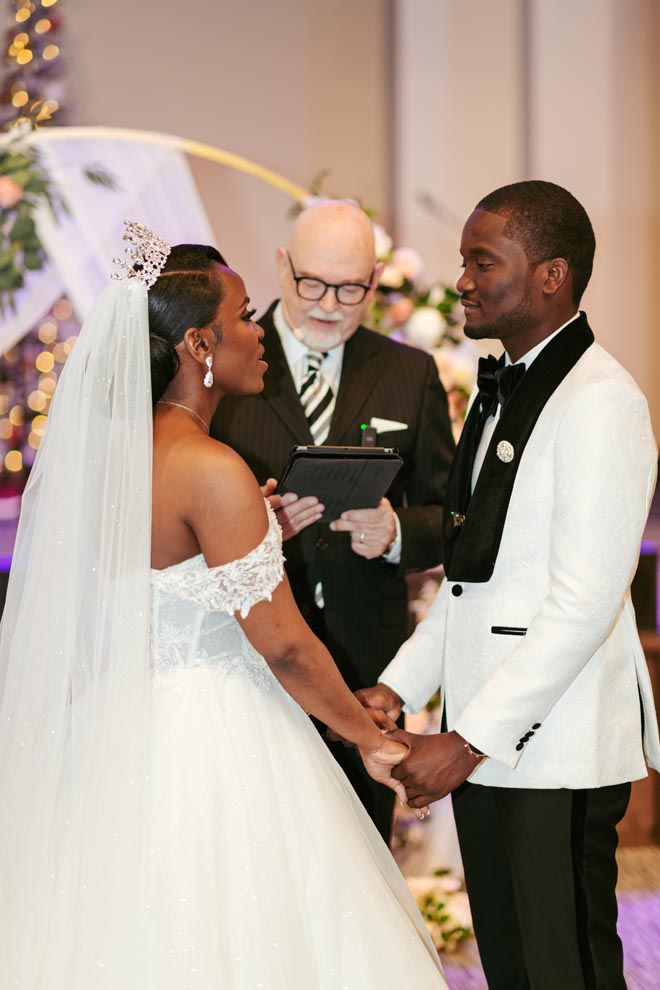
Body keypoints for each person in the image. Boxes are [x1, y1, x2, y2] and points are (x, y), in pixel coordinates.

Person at [0, 222, 446, 988]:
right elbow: (285, 646)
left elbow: (156, 580)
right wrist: (366, 738)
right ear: (200, 346)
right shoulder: (211, 466)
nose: (258, 331)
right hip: (215, 738)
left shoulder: (117, 458)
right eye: (242, 316)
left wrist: (253, 532)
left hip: (124, 730)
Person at [358, 181, 660, 990]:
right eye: (462, 261)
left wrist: (466, 739)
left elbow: (585, 602)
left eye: (481, 261)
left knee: (566, 969)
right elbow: (469, 580)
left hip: (552, 746)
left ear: (551, 275)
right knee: (515, 969)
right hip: (492, 739)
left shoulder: (602, 404)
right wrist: (397, 686)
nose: (462, 279)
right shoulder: (504, 391)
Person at [211, 199, 455, 841]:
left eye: (350, 289)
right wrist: (253, 526)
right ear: (282, 265)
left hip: (368, 664)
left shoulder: (410, 373)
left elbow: (456, 516)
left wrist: (399, 533)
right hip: (254, 653)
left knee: (362, 851)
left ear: (375, 282)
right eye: (311, 282)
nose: (326, 304)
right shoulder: (228, 369)